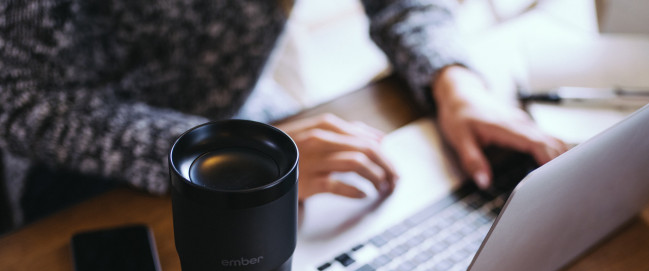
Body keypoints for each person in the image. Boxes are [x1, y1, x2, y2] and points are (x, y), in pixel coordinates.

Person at [0, 0, 567, 223]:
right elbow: (24, 99)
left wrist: (452, 80)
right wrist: (226, 156)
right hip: (77, 176)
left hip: (246, 120)